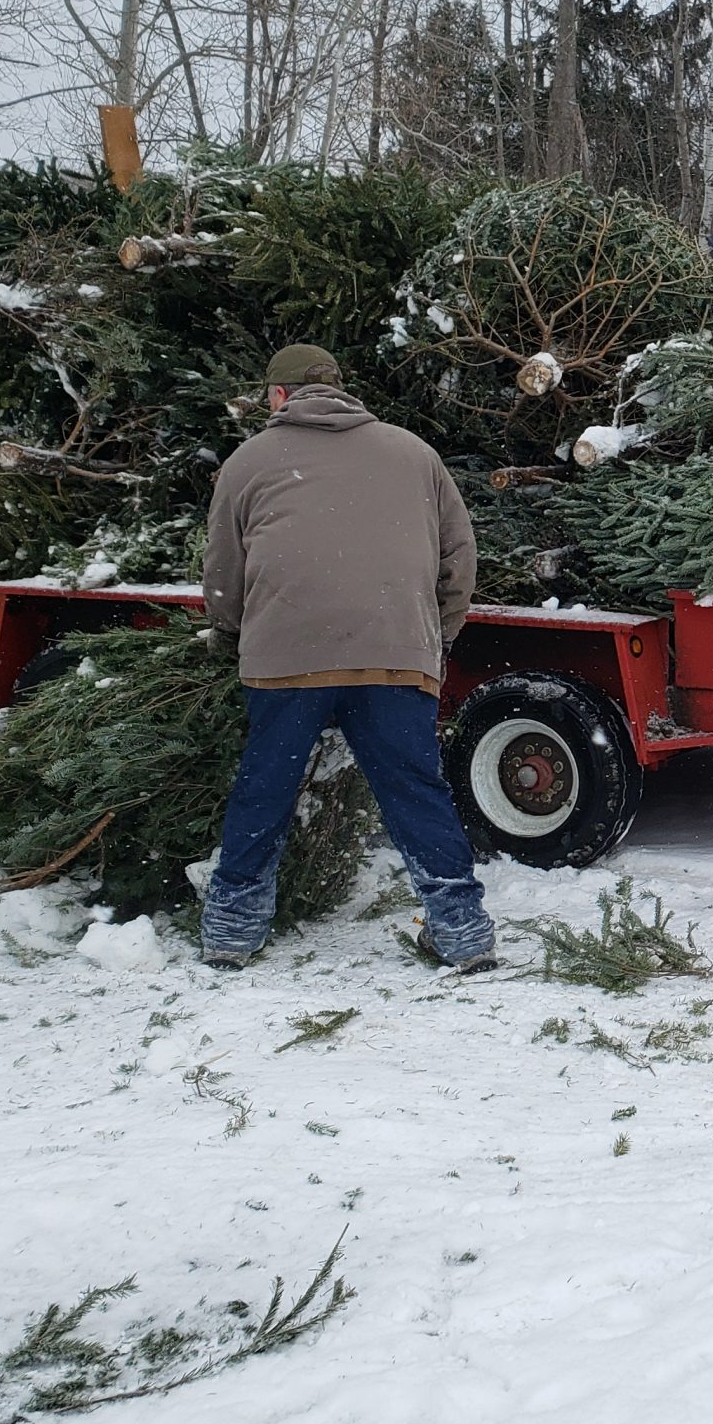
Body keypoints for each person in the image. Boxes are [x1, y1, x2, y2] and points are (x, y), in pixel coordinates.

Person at [197, 343, 496, 974]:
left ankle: (233, 929)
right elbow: (459, 556)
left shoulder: (248, 461)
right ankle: (462, 930)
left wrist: (231, 632)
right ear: (339, 387)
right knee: (415, 790)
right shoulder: (414, 453)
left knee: (265, 786)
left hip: (287, 657)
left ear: (279, 395)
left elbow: (224, 569)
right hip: (395, 654)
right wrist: (435, 636)